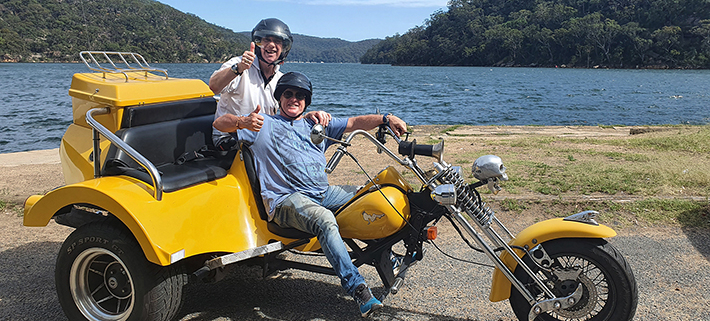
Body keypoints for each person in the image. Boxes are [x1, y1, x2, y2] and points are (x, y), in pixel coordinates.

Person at [213, 72, 406, 317]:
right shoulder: (262, 124)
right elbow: (219, 124)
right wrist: (243, 121)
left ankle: (386, 255)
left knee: (373, 197)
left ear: (307, 101)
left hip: (323, 193)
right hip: (285, 200)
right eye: (289, 94)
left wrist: (386, 119)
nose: (295, 99)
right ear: (279, 98)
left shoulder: (315, 126)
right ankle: (358, 288)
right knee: (325, 219)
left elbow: (355, 122)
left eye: (301, 96)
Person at [209, 18, 330, 149]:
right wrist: (238, 68)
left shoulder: (281, 79)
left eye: (277, 41)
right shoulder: (239, 65)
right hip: (230, 138)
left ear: (284, 48)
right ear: (258, 43)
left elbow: (285, 112)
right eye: (266, 40)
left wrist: (306, 117)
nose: (272, 45)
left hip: (262, 137)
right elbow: (213, 88)